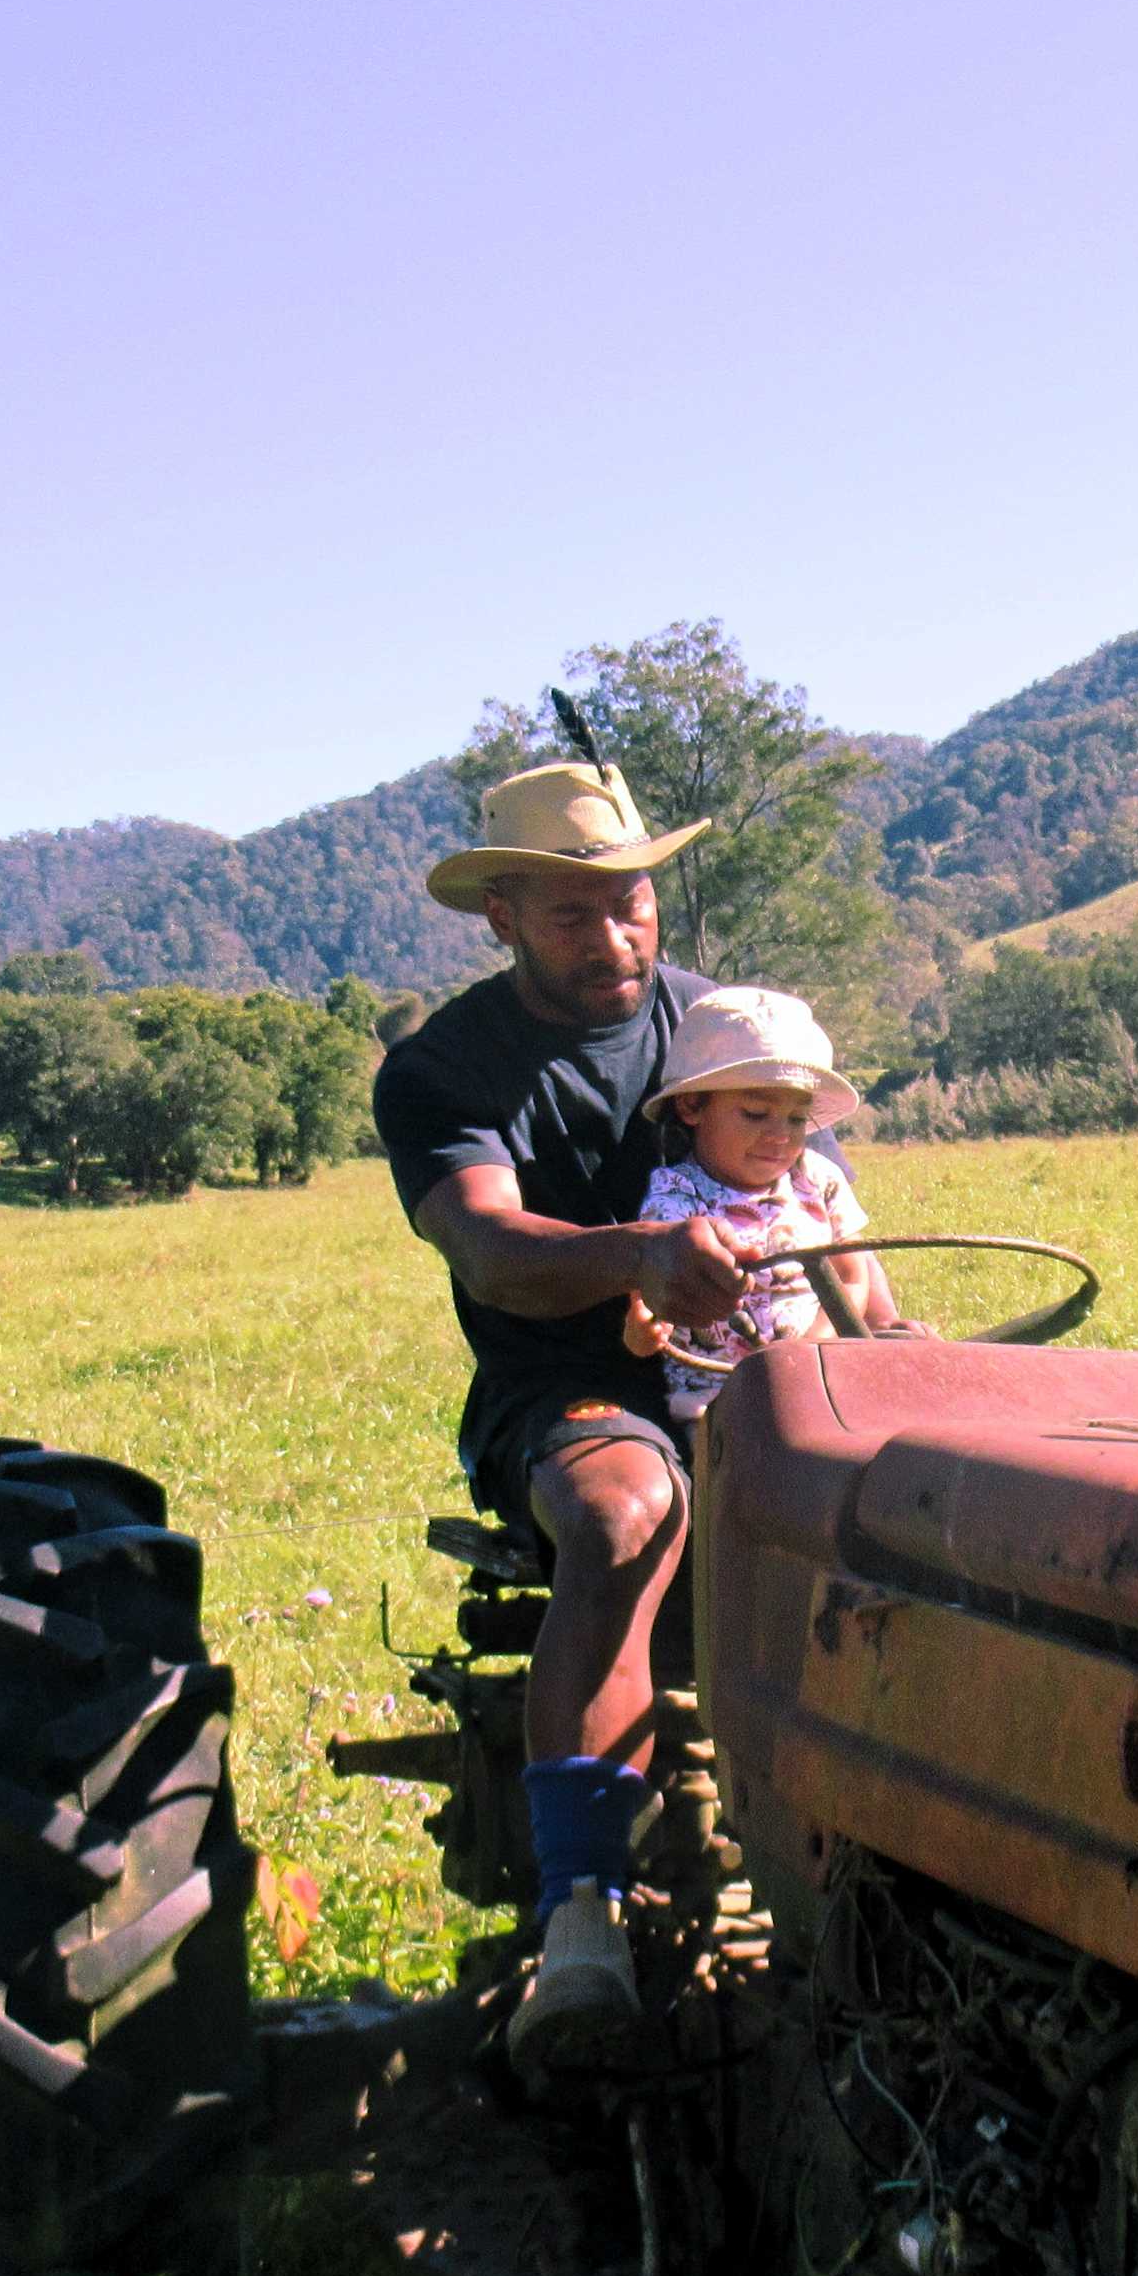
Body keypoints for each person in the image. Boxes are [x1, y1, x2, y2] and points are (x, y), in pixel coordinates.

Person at [372, 756, 785, 2068]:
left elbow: (805, 1179)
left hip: (749, 1362)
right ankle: (582, 1919)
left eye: (632, 902)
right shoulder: (446, 1071)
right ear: (500, 915)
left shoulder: (720, 1022)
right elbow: (492, 1250)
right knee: (627, 1514)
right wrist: (639, 1258)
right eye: (570, 912)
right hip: (567, 1386)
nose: (613, 936)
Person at [622, 986, 905, 1419]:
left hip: (823, 1379)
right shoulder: (676, 1197)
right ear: (692, 1106)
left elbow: (852, 1274)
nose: (781, 1135)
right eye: (755, 1114)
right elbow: (650, 1300)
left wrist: (809, 1349)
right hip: (717, 1401)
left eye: (796, 1118)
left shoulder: (818, 1180)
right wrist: (643, 1333)